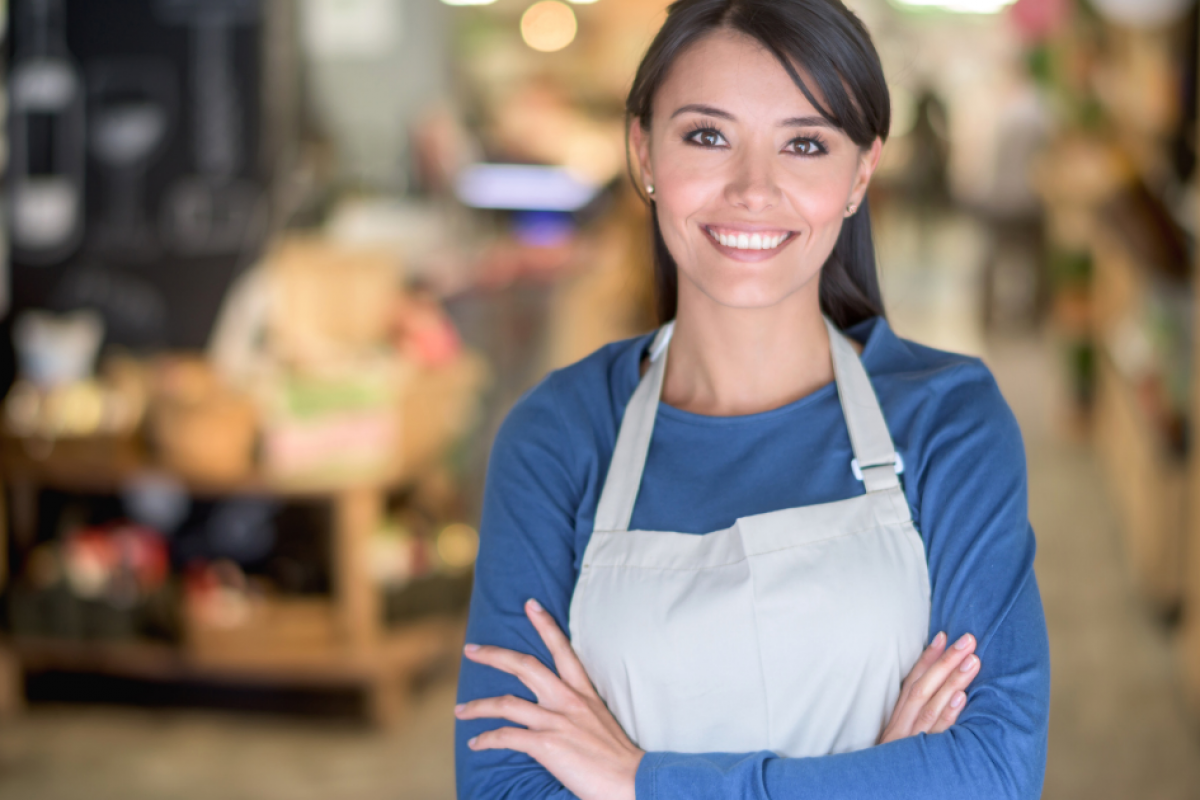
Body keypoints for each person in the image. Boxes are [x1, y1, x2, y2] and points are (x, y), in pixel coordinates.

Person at [453, 1, 1051, 798]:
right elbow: (503, 786)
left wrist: (637, 779)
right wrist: (871, 777)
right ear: (644, 150)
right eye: (707, 135)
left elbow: (991, 772)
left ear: (860, 173)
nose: (753, 190)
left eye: (805, 144)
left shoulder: (950, 422)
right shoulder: (557, 437)